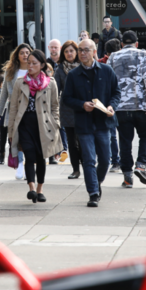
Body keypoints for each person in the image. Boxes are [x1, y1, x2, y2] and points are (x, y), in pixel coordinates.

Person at [63, 39, 121, 208]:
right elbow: (66, 98)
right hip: (84, 124)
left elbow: (116, 93)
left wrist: (112, 105)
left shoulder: (107, 71)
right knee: (88, 160)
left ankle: (97, 182)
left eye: (86, 50)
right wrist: (82, 105)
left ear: (94, 51)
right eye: (80, 50)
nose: (82, 53)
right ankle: (93, 193)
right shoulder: (73, 75)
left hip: (103, 122)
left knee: (105, 160)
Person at [7, 50, 62, 203]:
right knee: (29, 156)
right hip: (25, 124)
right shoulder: (20, 82)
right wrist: (11, 130)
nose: (30, 66)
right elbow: (13, 108)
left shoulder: (51, 83)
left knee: (41, 157)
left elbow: (55, 107)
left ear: (42, 65)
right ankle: (31, 188)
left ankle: (40, 189)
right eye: (28, 63)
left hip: (43, 124)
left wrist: (56, 123)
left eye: (34, 63)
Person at [107, 31, 146, 188]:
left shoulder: (113, 57)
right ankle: (141, 165)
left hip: (121, 107)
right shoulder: (143, 54)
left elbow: (108, 82)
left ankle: (127, 176)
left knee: (125, 140)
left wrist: (109, 105)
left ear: (122, 44)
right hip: (141, 105)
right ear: (137, 43)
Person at [0, 43, 32, 180]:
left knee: (29, 139)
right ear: (17, 55)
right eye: (22, 53)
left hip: (30, 110)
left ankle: (28, 165)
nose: (25, 55)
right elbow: (4, 93)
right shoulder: (11, 72)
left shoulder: (33, 69)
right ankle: (21, 164)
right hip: (14, 110)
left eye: (27, 52)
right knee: (15, 139)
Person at [54, 40, 82, 179]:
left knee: (84, 140)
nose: (69, 53)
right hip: (67, 109)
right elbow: (55, 91)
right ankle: (75, 169)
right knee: (72, 142)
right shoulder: (60, 69)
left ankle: (87, 164)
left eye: (71, 50)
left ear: (76, 52)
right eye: (66, 51)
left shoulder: (83, 66)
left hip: (84, 108)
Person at [101, 38, 123, 172]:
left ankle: (113, 161)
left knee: (112, 134)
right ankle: (116, 161)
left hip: (109, 103)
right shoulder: (123, 62)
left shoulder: (101, 63)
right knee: (117, 135)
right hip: (123, 102)